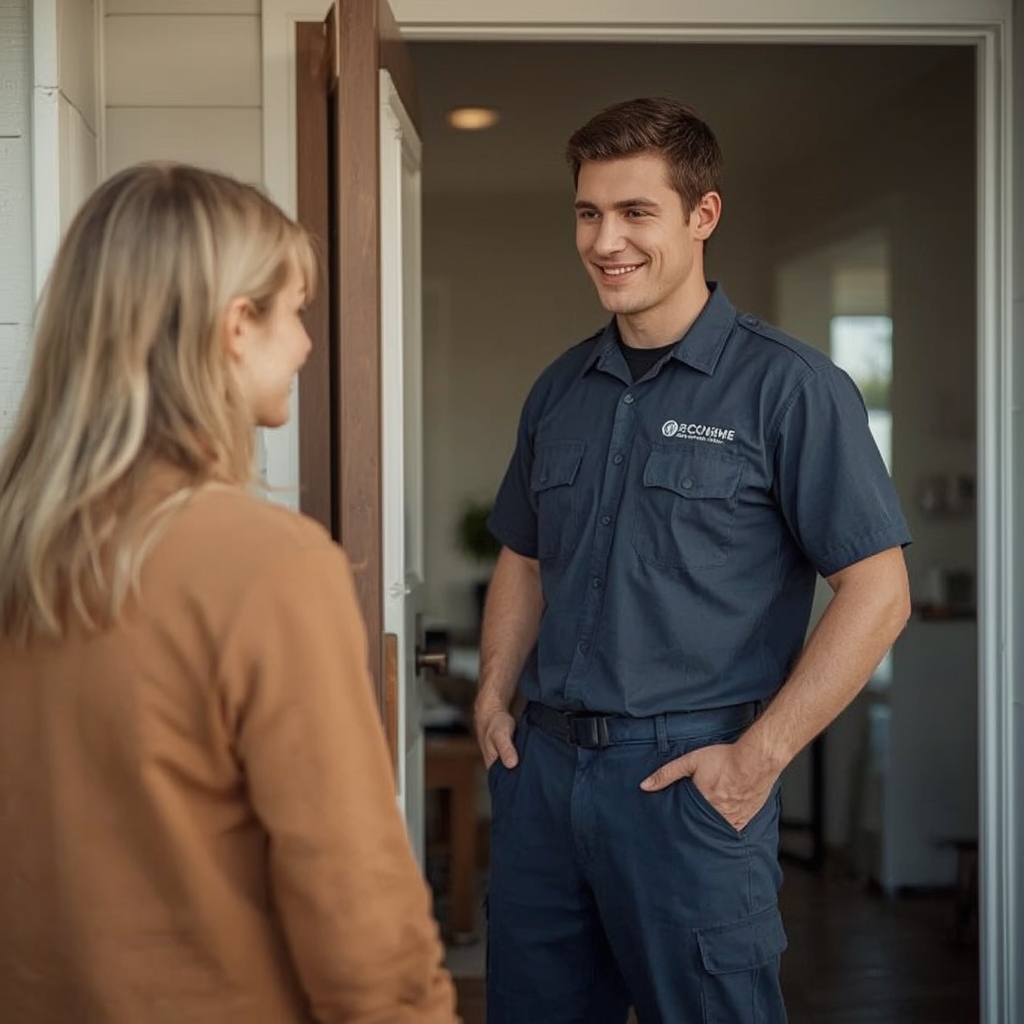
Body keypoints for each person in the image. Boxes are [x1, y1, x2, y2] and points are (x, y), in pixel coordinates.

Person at [474, 97, 912, 1024]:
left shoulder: (791, 389)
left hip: (687, 787)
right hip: (544, 783)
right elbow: (522, 553)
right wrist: (491, 696)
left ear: (702, 217)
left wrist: (758, 760)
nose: (605, 240)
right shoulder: (560, 388)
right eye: (589, 214)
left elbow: (878, 592)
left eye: (637, 213)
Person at [0, 163, 458, 1024]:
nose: (307, 344)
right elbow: (354, 902)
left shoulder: (17, 547)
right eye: (295, 311)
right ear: (235, 327)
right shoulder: (268, 567)